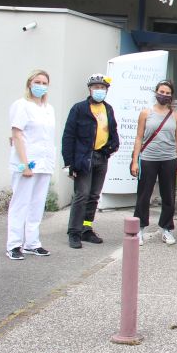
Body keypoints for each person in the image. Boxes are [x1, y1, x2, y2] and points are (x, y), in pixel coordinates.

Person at [62, 73, 120, 249]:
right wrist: (68, 162)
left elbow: (113, 130)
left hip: (101, 157)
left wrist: (111, 147)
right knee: (82, 195)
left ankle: (87, 229)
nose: (99, 90)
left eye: (102, 88)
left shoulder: (108, 109)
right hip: (83, 158)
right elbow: (68, 135)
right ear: (90, 89)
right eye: (96, 87)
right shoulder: (79, 109)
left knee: (94, 196)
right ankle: (74, 232)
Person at [6, 70, 56, 260]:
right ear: (29, 84)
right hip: (26, 163)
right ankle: (14, 244)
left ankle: (32, 243)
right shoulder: (21, 105)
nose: (41, 86)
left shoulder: (48, 108)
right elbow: (17, 135)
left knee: (37, 205)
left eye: (44, 83)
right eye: (37, 82)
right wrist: (25, 164)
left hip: (45, 162)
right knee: (21, 203)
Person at [130, 80, 177, 246]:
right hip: (148, 159)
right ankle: (140, 228)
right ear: (156, 92)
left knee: (168, 196)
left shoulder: (176, 116)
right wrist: (135, 161)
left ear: (171, 96)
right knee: (144, 195)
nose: (164, 95)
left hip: (169, 159)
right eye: (162, 92)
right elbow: (139, 138)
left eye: (168, 93)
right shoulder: (146, 113)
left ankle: (166, 228)